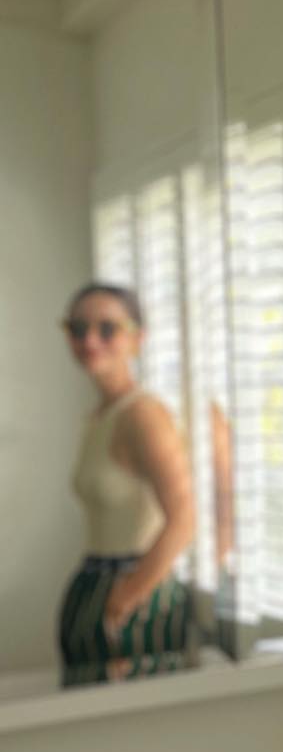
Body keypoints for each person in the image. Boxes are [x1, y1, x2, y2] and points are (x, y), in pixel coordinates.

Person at [58, 282, 197, 685]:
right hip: (92, 585)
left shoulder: (143, 415)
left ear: (138, 338)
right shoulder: (100, 416)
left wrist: (125, 599)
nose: (90, 340)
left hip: (137, 599)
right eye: (78, 328)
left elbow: (185, 518)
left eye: (107, 329)